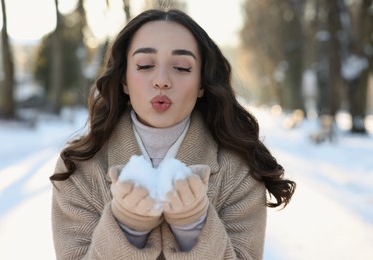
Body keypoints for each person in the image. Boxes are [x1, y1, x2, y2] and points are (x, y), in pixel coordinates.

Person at [50, 8, 296, 260]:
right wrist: (127, 228)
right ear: (124, 79)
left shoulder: (239, 169)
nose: (162, 80)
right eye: (145, 65)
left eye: (181, 67)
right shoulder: (78, 168)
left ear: (202, 83)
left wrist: (193, 227)